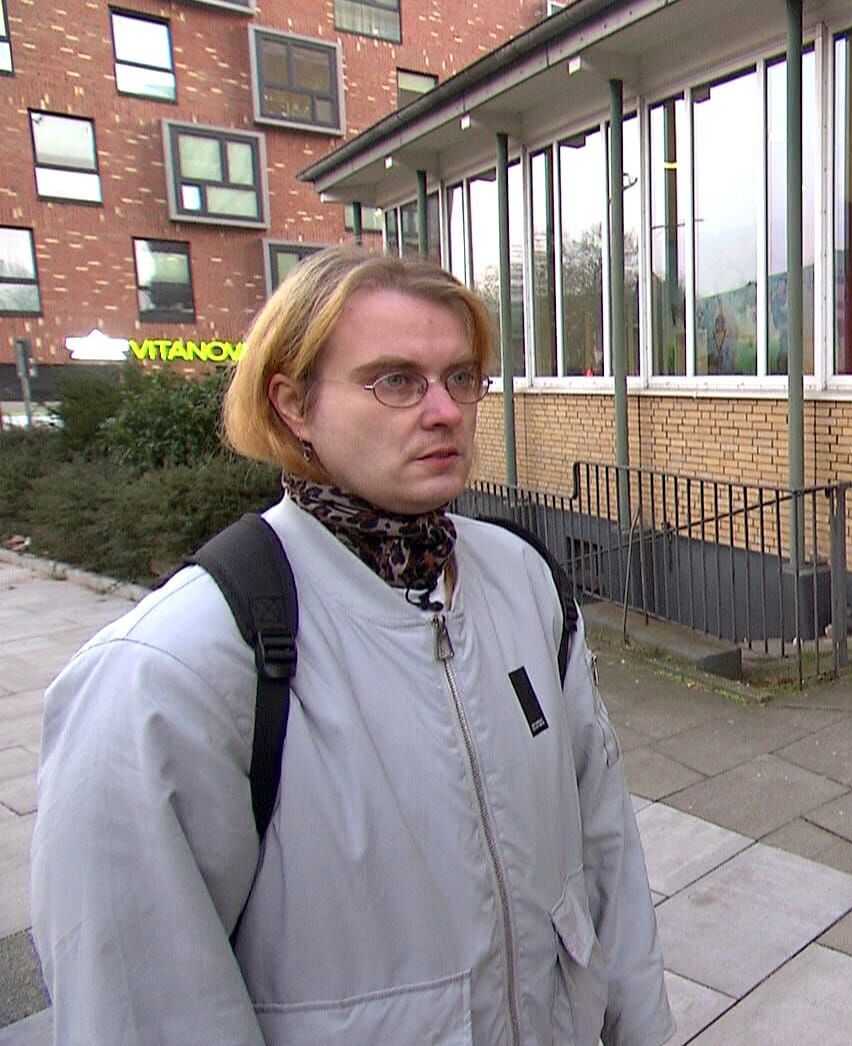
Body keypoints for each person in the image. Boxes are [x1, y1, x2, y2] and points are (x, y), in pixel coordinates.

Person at [32, 247, 673, 1045]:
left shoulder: (525, 581)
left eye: (461, 377)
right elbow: (140, 1008)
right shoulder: (167, 675)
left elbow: (606, 851)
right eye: (396, 380)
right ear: (293, 406)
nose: (444, 410)